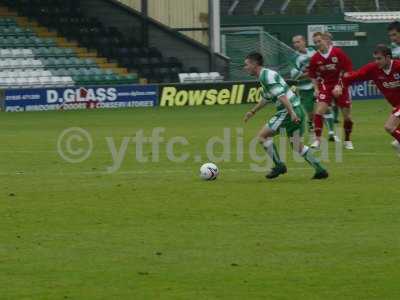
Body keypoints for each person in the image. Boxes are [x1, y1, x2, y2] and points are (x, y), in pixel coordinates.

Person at [243, 52, 328, 180]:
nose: (245, 67)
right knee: (297, 146)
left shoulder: (266, 77)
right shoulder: (266, 75)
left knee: (262, 136)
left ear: (254, 64)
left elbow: (281, 96)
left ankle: (279, 165)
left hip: (288, 112)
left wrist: (291, 112)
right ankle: (320, 170)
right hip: (296, 109)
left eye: (247, 64)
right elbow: (266, 98)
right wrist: (253, 111)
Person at [341, 44, 400, 157]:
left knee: (389, 127)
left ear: (388, 58)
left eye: (379, 59)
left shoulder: (398, 66)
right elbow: (354, 76)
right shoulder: (373, 69)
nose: (376, 61)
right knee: (396, 140)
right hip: (396, 105)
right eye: (375, 59)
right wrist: (340, 84)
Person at [308, 32, 354, 150]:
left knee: (347, 117)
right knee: (319, 112)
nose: (318, 44)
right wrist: (316, 88)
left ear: (325, 40)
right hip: (325, 87)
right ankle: (317, 141)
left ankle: (347, 140)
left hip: (341, 86)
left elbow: (348, 68)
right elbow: (312, 75)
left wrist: (341, 84)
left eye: (319, 41)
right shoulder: (315, 58)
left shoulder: (337, 52)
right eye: (315, 42)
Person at [291, 35, 339, 141]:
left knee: (326, 108)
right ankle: (311, 128)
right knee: (311, 114)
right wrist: (311, 72)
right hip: (304, 89)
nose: (296, 45)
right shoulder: (294, 58)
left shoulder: (313, 51)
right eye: (294, 43)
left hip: (318, 85)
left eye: (298, 42)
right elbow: (294, 75)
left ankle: (331, 133)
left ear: (304, 42)